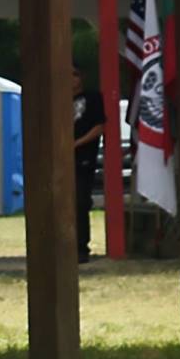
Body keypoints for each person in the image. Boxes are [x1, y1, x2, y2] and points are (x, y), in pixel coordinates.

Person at [72, 66, 106, 264]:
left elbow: (99, 127)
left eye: (75, 74)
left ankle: (81, 248)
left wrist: (75, 144)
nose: (71, 79)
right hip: (59, 161)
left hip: (83, 158)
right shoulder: (56, 98)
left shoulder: (92, 98)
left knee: (80, 201)